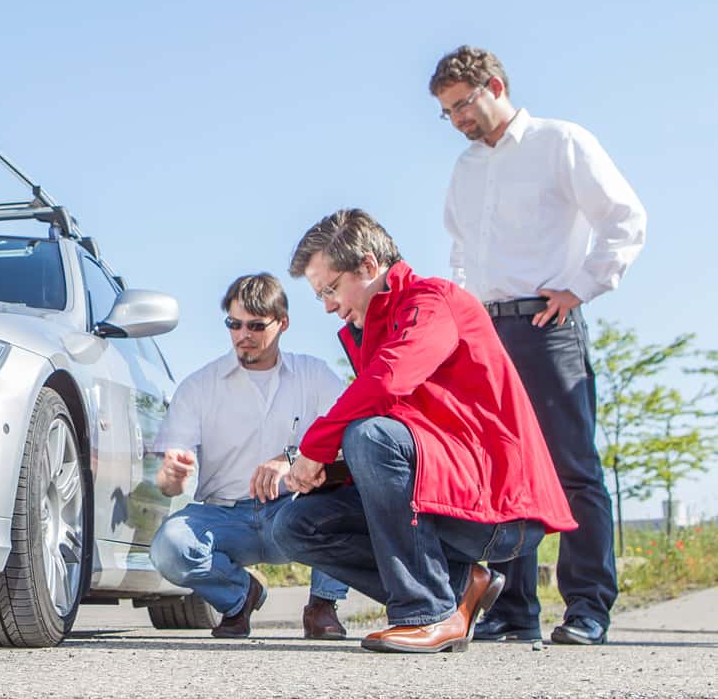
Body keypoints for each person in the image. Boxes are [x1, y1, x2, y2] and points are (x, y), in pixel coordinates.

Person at [270, 209, 577, 654]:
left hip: (496, 512)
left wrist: (318, 446)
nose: (329, 306)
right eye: (321, 296)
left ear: (369, 267)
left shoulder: (433, 301)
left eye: (331, 289)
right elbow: (406, 438)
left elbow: (387, 383)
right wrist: (326, 470)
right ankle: (459, 585)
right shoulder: (372, 329)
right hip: (440, 494)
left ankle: (427, 610)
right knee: (294, 527)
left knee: (368, 435)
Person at [432, 45, 646, 646]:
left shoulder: (561, 142)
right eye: (446, 114)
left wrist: (580, 288)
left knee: (573, 470)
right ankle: (513, 610)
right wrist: (461, 318)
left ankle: (586, 607)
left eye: (462, 106)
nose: (457, 122)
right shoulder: (466, 169)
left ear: (494, 85)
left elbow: (625, 217)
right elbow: (460, 251)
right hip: (485, 333)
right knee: (502, 472)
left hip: (546, 327)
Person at [149, 272, 351, 640]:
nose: (244, 335)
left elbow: (349, 444)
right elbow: (165, 485)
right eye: (234, 324)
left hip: (292, 511)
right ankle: (240, 596)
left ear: (283, 323)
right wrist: (172, 475)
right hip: (224, 515)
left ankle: (323, 605)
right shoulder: (198, 386)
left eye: (256, 326)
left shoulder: (315, 375)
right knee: (169, 546)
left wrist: (291, 459)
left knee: (347, 499)